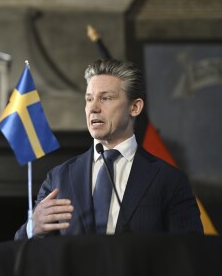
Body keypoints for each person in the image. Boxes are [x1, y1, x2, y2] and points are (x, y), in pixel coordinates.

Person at [15, 59, 202, 239]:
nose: (93, 108)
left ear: (135, 107)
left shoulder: (169, 180)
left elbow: (188, 252)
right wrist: (33, 228)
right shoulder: (58, 178)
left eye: (105, 98)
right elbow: (25, 253)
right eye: (89, 99)